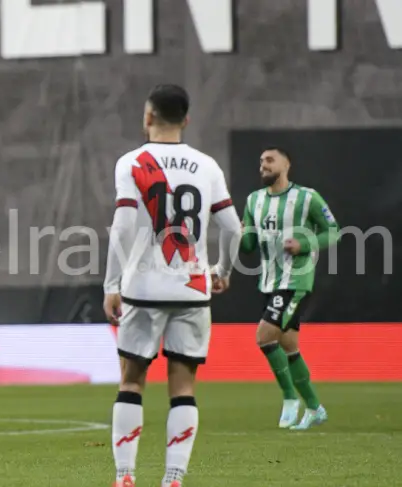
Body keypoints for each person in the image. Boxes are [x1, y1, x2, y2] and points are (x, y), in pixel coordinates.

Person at [102, 84, 242, 487]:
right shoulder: (207, 166)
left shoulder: (132, 162)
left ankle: (125, 477)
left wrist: (112, 283)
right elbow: (232, 227)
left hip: (143, 289)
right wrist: (223, 270)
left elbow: (125, 225)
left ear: (148, 117)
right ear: (187, 120)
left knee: (131, 380)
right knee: (183, 386)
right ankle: (173, 478)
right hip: (192, 288)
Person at [239, 147, 339, 430]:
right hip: (268, 281)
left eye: (269, 160)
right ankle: (315, 408)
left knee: (264, 336)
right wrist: (239, 232)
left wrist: (304, 244)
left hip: (295, 280)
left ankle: (289, 398)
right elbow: (248, 247)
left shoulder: (307, 197)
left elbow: (334, 231)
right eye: (260, 161)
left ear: (287, 164)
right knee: (288, 345)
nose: (263, 166)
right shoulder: (253, 201)